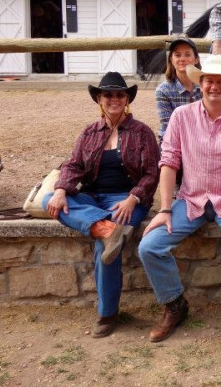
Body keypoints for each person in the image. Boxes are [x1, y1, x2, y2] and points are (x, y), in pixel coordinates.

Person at [138, 55, 221, 345]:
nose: (214, 86)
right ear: (200, 83)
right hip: (190, 199)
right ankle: (175, 305)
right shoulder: (181, 117)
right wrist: (165, 209)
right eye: (208, 80)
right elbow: (169, 162)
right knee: (149, 246)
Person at [43, 72, 159, 338]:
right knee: (50, 199)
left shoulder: (142, 132)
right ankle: (106, 228)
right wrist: (61, 189)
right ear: (99, 98)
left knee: (103, 249)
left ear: (127, 98)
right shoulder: (89, 131)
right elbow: (73, 165)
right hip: (93, 198)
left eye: (120, 94)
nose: (114, 99)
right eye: (108, 94)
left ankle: (107, 314)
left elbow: (152, 173)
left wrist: (133, 198)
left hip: (127, 200)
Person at [154, 35, 202, 142]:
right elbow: (169, 127)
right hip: (172, 140)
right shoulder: (163, 90)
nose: (182, 59)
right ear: (171, 59)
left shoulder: (205, 87)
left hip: (201, 139)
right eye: (177, 55)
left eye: (187, 54)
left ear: (196, 60)